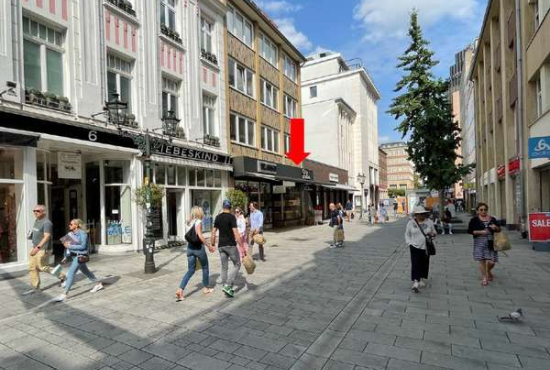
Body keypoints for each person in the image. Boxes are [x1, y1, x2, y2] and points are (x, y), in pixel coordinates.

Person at [53, 219, 103, 302]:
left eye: (71, 224)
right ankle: (98, 284)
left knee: (71, 272)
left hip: (80, 256)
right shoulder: (70, 234)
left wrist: (70, 246)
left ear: (76, 225)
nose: (69, 225)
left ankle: (65, 294)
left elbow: (83, 246)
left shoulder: (82, 234)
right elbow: (66, 247)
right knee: (86, 272)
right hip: (74, 256)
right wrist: (65, 256)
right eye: (69, 224)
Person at [23, 205, 66, 295]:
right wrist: (31, 236)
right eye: (34, 210)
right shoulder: (37, 220)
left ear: (44, 212)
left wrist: (38, 248)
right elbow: (38, 233)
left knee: (42, 267)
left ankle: (62, 275)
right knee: (32, 267)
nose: (35, 212)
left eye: (38, 211)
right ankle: (35, 287)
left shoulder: (47, 223)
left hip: (43, 248)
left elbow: (47, 236)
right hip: (34, 246)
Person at [176, 207, 214, 301]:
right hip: (198, 248)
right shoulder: (198, 222)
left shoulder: (189, 222)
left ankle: (180, 289)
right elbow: (200, 235)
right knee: (205, 267)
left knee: (190, 270)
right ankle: (206, 288)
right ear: (199, 213)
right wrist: (209, 245)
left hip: (189, 248)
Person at [212, 199, 244, 297]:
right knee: (237, 264)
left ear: (223, 207)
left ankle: (224, 285)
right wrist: (242, 246)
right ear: (230, 207)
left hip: (221, 246)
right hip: (230, 245)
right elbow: (236, 233)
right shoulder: (232, 217)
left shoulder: (217, 217)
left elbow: (213, 232)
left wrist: (212, 244)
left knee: (224, 267)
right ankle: (228, 285)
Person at [468, 203, 501, 286]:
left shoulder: (492, 219)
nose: (483, 211)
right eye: (481, 210)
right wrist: (481, 232)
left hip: (491, 241)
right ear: (478, 211)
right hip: (479, 241)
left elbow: (499, 229)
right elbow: (470, 231)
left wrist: (495, 228)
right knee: (482, 259)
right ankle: (484, 278)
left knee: (492, 261)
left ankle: (488, 271)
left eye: (485, 210)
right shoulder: (474, 220)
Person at [405, 206, 436, 293]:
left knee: (424, 263)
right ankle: (416, 281)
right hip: (414, 246)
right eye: (419, 214)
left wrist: (432, 235)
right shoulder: (411, 223)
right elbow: (407, 234)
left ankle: (422, 278)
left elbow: (434, 232)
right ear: (416, 214)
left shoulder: (429, 222)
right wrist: (409, 243)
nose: (421, 215)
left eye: (423, 214)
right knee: (415, 263)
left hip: (425, 246)